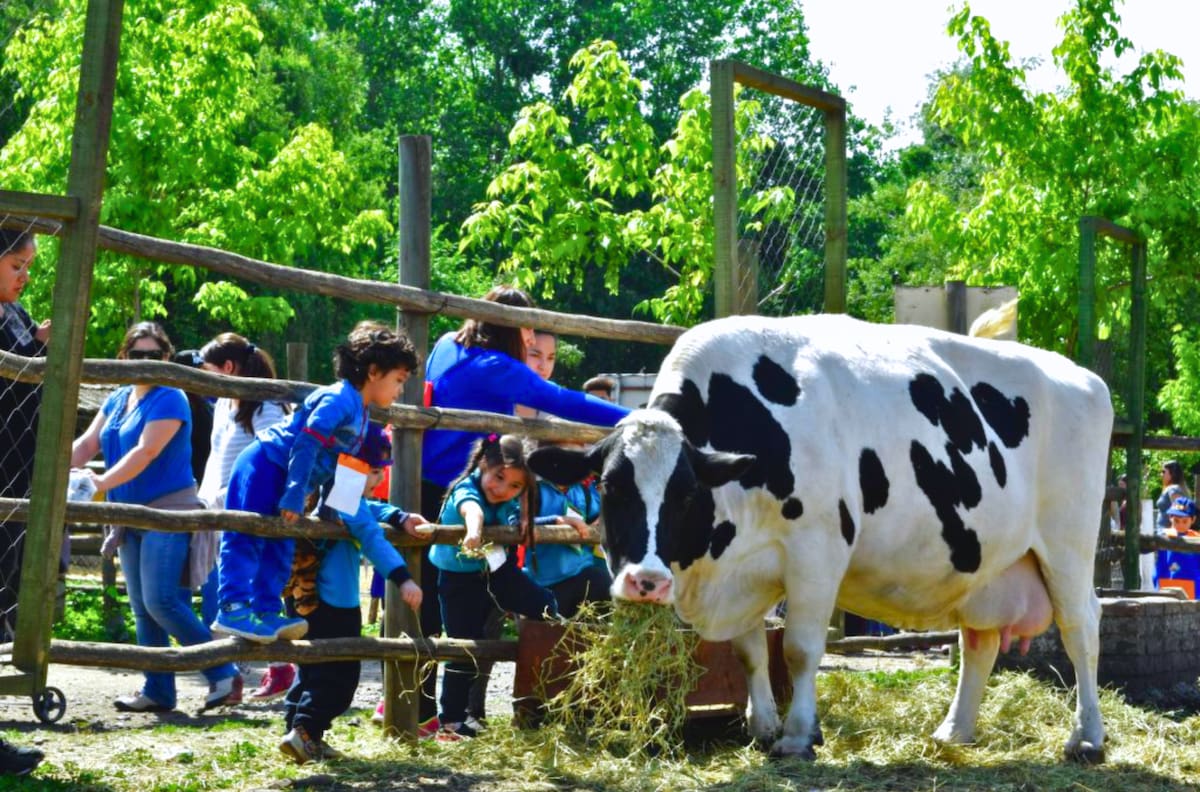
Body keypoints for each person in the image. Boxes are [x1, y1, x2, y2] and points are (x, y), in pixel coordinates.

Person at [419, 285, 627, 727]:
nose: (531, 339)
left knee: (432, 604)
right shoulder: (496, 366)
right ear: (510, 328)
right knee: (463, 607)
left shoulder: (448, 344)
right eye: (527, 329)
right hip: (464, 490)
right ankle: (441, 713)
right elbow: (561, 399)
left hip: (435, 481)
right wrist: (632, 418)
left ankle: (426, 711)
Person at [70, 322, 241, 712]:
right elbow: (88, 443)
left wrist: (100, 482)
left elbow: (145, 452)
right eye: (137, 355)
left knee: (162, 601)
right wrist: (50, 466)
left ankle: (223, 672)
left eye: (154, 355)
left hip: (167, 513)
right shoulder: (118, 398)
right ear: (123, 357)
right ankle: (158, 690)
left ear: (167, 358)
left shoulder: (171, 398)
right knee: (143, 609)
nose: (145, 362)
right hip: (128, 514)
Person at [212, 321, 417, 643]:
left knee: (281, 542)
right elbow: (307, 444)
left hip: (284, 475)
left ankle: (266, 610)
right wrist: (295, 494)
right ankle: (232, 607)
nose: (400, 390)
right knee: (247, 534)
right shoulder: (339, 400)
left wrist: (331, 506)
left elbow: (338, 461)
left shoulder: (362, 412)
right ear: (374, 372)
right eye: (399, 380)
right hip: (266, 463)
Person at [279, 423, 426, 764]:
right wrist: (403, 578)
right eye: (373, 470)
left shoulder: (322, 492)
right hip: (335, 604)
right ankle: (306, 731)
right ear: (351, 466)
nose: (378, 478)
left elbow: (367, 511)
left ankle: (299, 733)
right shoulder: (345, 497)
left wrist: (397, 515)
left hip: (299, 599)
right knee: (340, 675)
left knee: (310, 669)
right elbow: (372, 537)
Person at [431, 434, 557, 740]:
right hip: (459, 580)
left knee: (545, 605)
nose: (503, 490)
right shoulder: (466, 488)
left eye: (514, 486)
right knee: (465, 647)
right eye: (499, 478)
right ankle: (451, 722)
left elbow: (519, 503)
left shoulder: (512, 497)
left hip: (497, 572)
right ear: (484, 464)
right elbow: (470, 509)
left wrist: (525, 517)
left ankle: (539, 695)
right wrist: (474, 531)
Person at [196, 333, 293, 699]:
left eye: (208, 370)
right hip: (220, 507)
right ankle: (243, 671)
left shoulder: (266, 407)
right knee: (227, 592)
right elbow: (217, 456)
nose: (204, 377)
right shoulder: (224, 403)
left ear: (228, 367)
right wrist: (207, 498)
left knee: (251, 590)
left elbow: (269, 461)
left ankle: (276, 667)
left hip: (250, 507)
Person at [0, 228, 50, 641]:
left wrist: (41, 342)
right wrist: (38, 346)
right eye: (18, 266)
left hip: (22, 463)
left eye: (28, 267)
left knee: (13, 563)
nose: (25, 277)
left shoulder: (15, 312)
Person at [523, 441, 612, 618]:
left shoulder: (583, 492)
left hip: (582, 573)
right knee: (547, 627)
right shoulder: (533, 490)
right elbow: (518, 523)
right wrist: (556, 521)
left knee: (605, 586)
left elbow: (595, 518)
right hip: (545, 580)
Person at [1156, 496, 1200, 598]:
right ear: (1170, 517)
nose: (1180, 525)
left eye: (1185, 521)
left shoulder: (1197, 539)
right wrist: (1157, 581)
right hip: (1168, 586)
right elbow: (1161, 564)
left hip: (1194, 589)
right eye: (1176, 520)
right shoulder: (1164, 537)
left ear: (1193, 519)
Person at [1156, 460, 1190, 532]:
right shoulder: (1172, 488)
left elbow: (1180, 509)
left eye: (1163, 472)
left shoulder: (1173, 489)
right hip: (1164, 531)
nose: (1161, 475)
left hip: (1167, 533)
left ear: (1172, 474)